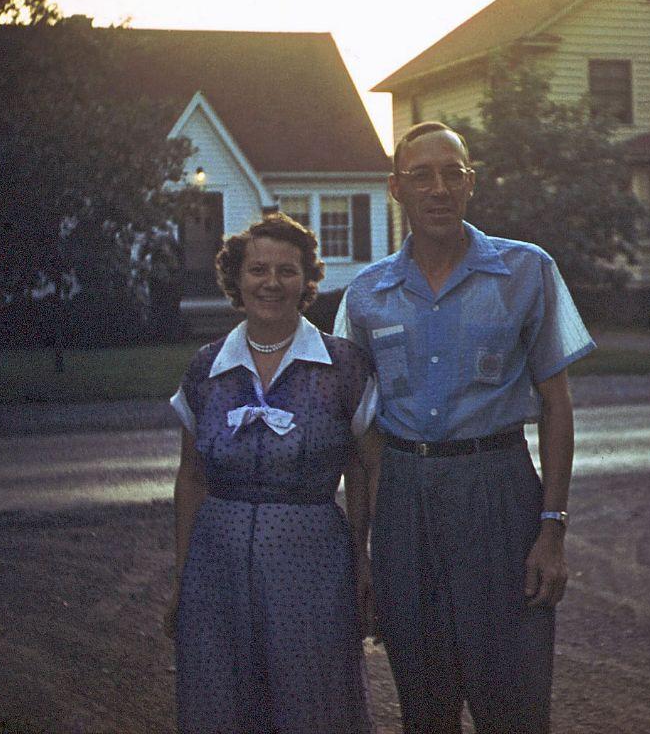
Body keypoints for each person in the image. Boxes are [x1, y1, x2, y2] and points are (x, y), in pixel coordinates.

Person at [334, 121, 596, 733]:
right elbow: (361, 432)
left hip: (498, 488)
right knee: (425, 706)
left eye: (453, 173)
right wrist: (364, 551)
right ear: (395, 188)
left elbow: (557, 404)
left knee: (514, 700)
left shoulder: (526, 271)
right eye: (421, 175)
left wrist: (552, 529)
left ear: (471, 183)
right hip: (403, 495)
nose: (439, 188)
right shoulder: (366, 296)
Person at [164, 212, 378, 733]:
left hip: (313, 558)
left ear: (308, 281)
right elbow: (191, 475)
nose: (272, 282)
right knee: (221, 698)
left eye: (288, 270)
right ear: (236, 278)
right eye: (258, 269)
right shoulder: (206, 366)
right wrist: (182, 574)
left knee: (313, 698)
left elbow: (368, 470)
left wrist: (362, 559)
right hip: (217, 561)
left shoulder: (344, 365)